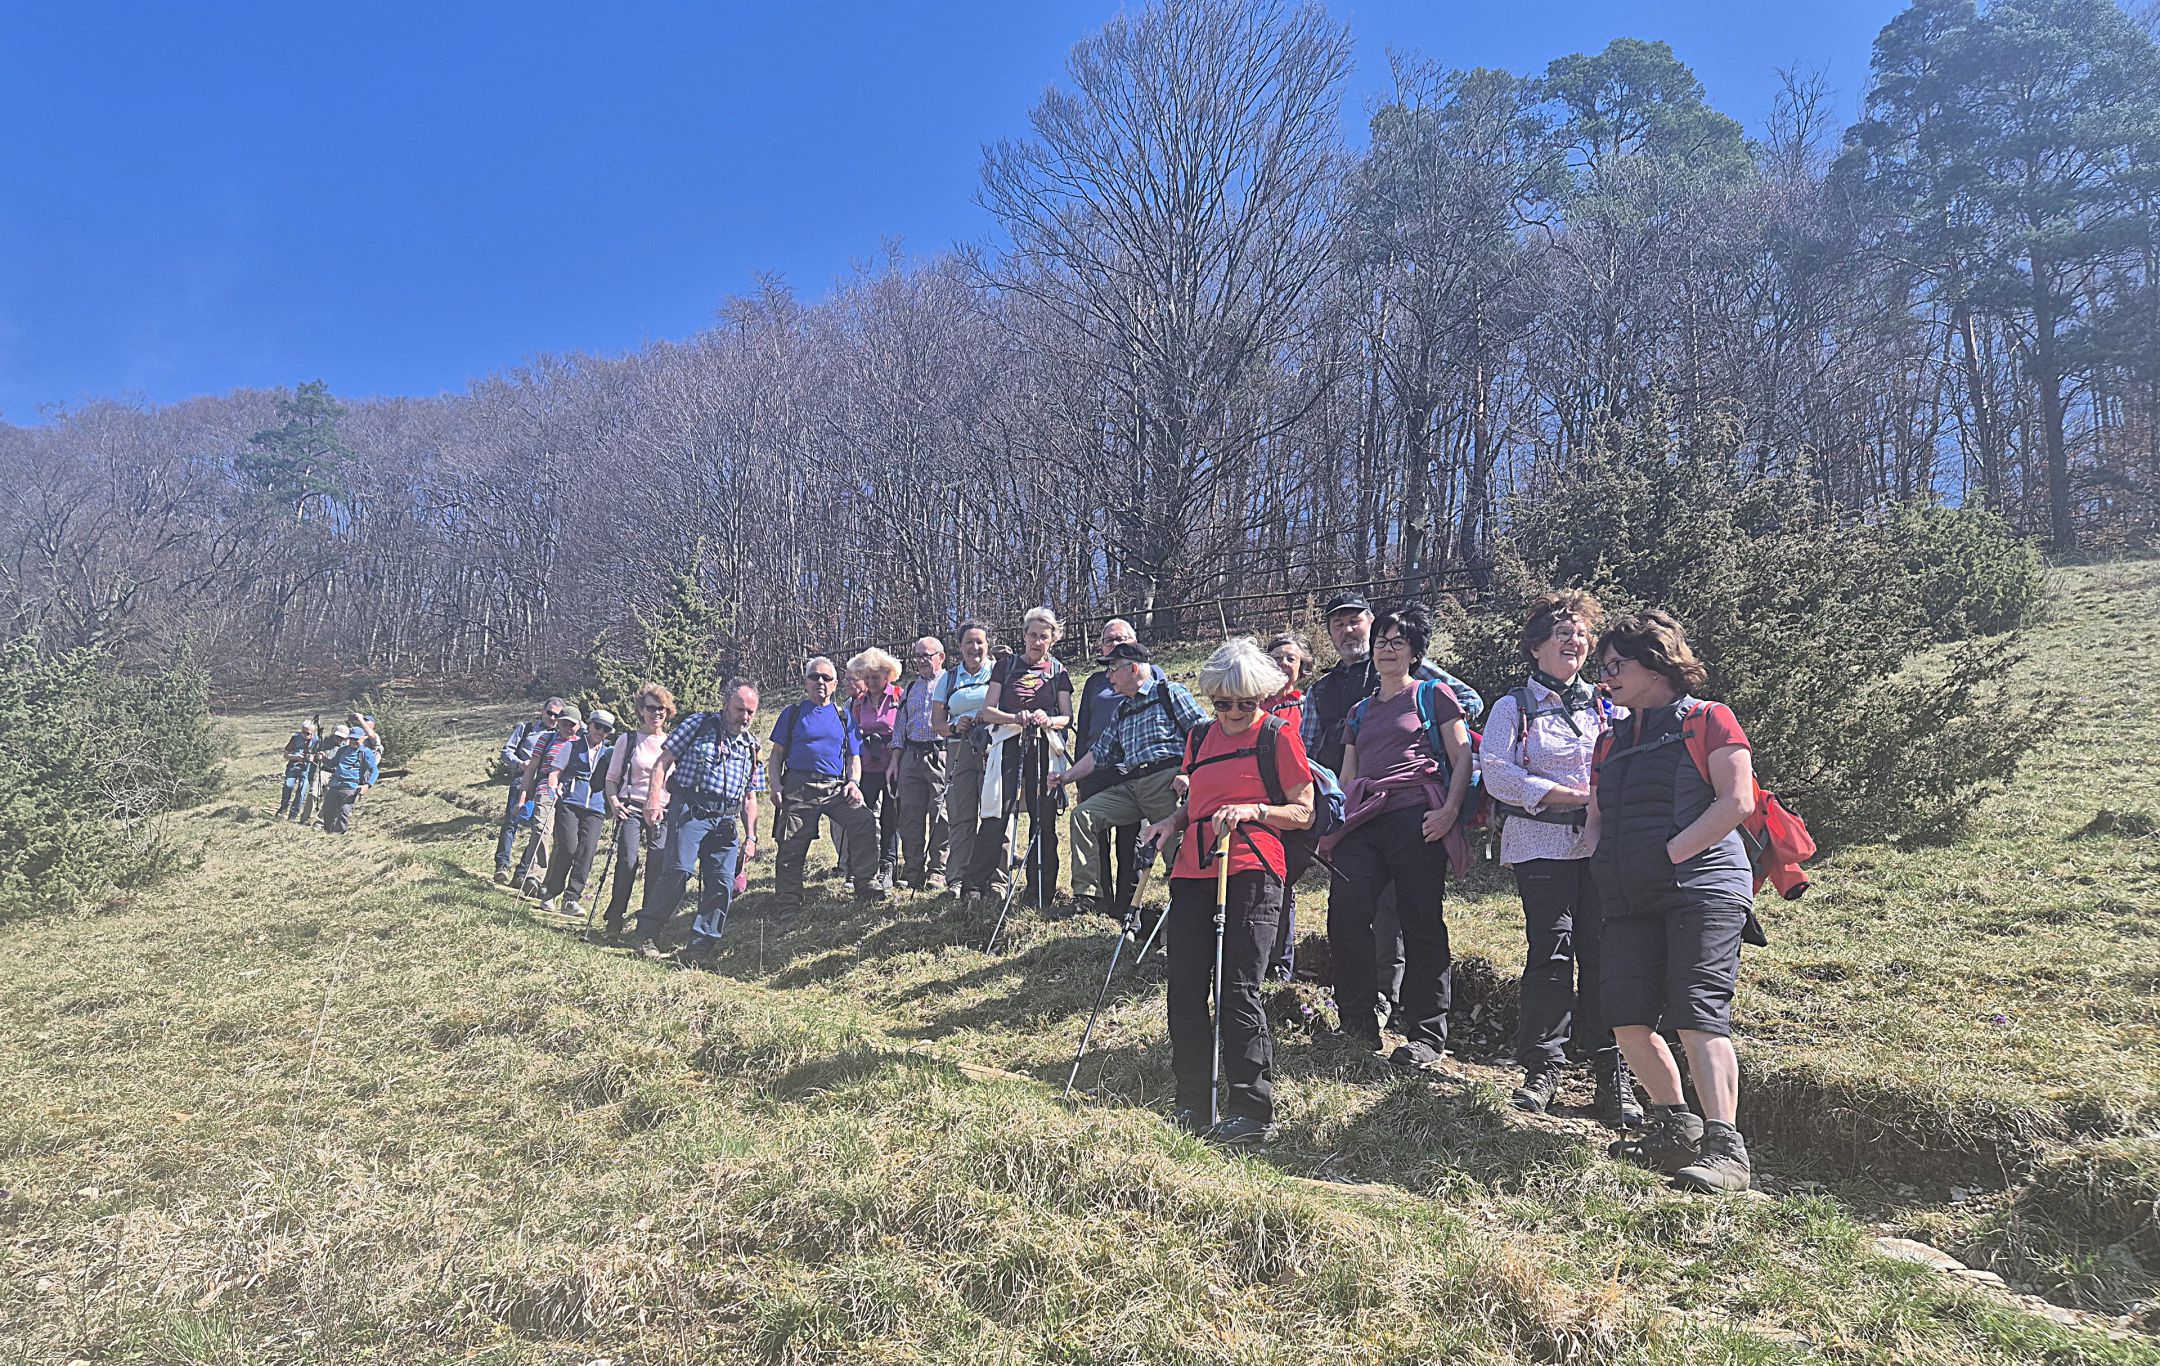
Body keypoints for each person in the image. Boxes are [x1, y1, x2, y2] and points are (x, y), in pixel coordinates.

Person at [1587, 611, 1758, 1194]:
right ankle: (1674, 1125)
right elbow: (1597, 817)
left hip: (1704, 888)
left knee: (1696, 1014)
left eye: (1616, 665)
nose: (1605, 676)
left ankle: (1725, 1148)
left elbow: (1736, 801)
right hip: (1627, 895)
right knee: (1626, 1017)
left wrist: (1669, 855)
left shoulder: (1710, 718)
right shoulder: (1611, 739)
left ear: (1656, 664)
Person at [1138, 639, 1314, 1144]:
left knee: (1238, 986)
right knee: (1185, 987)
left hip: (1254, 869)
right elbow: (1197, 804)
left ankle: (1252, 1109)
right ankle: (1191, 1101)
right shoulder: (1198, 738)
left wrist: (1254, 810)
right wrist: (1169, 822)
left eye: (1245, 702)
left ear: (1262, 696)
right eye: (1223, 702)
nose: (1235, 712)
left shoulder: (1277, 735)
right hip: (1194, 869)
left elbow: (1302, 811)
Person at [1479, 592, 1641, 1129]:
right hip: (1539, 845)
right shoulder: (1512, 708)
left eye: (1579, 635)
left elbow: (1632, 759)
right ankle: (1542, 1066)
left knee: (1604, 955)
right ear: (1535, 648)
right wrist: (1573, 797)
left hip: (1600, 849)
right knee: (1551, 950)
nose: (1573, 643)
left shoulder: (1607, 704)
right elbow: (1498, 774)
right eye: (1561, 635)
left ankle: (1610, 1071)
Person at [1303, 592, 1483, 1031]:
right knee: (1346, 914)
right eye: (1382, 640)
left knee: (1419, 918)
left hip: (1417, 816)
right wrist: (1331, 835)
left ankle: (1426, 1029)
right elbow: (1346, 780)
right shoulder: (1358, 712)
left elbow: (1462, 759)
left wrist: (1449, 813)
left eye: (1398, 642)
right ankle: (1357, 1021)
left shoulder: (1433, 694)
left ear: (1415, 652)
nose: (1386, 648)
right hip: (1365, 820)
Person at [1053, 640, 1206, 920]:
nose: (1108, 676)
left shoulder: (1169, 693)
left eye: (1112, 669)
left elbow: (1202, 733)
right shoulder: (1122, 709)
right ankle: (1089, 898)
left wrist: (1188, 772)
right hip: (1131, 785)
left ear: (1133, 668)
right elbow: (1099, 753)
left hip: (1166, 783)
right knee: (1084, 815)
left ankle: (1179, 933)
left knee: (1179, 859)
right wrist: (1066, 777)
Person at [640, 680, 765, 965]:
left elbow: (750, 797)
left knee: (722, 883)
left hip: (725, 821)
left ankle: (699, 948)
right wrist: (653, 799)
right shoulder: (699, 725)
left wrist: (751, 837)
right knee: (679, 871)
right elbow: (663, 762)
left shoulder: (751, 746)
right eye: (739, 709)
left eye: (750, 712)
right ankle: (647, 933)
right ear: (726, 705)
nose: (744, 717)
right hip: (690, 810)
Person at [970, 607, 1075, 909]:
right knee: (996, 812)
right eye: (1032, 635)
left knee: (1043, 816)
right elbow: (988, 711)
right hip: (1009, 742)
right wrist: (1015, 716)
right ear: (1024, 635)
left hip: (1043, 745)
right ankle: (977, 886)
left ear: (1053, 639)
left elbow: (1066, 717)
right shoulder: (1006, 666)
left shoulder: (1058, 672)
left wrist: (1047, 718)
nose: (1037, 641)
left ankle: (1040, 891)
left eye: (1044, 636)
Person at [769, 657, 885, 907]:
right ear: (805, 683)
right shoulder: (793, 714)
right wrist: (775, 785)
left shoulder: (844, 717)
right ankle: (788, 900)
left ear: (835, 684)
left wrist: (853, 782)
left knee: (864, 820)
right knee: (791, 842)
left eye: (826, 678)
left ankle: (866, 883)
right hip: (799, 787)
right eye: (814, 677)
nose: (820, 682)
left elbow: (854, 756)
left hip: (836, 788)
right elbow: (777, 754)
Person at [1073, 619, 1158, 921]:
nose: (1113, 645)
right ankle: (1098, 902)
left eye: (1120, 640)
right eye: (1108, 641)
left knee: (1130, 838)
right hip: (1096, 767)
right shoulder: (1095, 682)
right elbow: (1084, 730)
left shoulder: (1153, 676)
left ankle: (1127, 905)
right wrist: (1077, 773)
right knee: (1095, 833)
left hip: (1133, 767)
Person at [598, 683, 674, 944]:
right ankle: (615, 919)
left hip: (661, 811)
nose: (657, 714)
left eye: (662, 709)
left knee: (657, 865)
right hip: (630, 808)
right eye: (652, 709)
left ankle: (645, 928)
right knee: (628, 861)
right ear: (641, 710)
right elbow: (612, 778)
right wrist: (614, 802)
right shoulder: (628, 740)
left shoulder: (672, 744)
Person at [934, 622, 999, 908]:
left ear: (988, 645)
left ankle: (996, 879)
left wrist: (986, 718)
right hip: (958, 748)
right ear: (959, 647)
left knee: (995, 814)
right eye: (968, 643)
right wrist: (953, 726)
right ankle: (957, 879)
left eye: (980, 642)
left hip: (993, 746)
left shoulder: (999, 672)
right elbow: (937, 723)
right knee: (961, 815)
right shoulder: (947, 679)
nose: (975, 648)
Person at [537, 709, 617, 920]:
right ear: (588, 725)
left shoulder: (610, 753)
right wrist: (554, 789)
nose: (601, 732)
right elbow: (555, 773)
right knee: (568, 847)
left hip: (596, 807)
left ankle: (571, 898)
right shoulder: (571, 746)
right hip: (570, 803)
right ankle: (551, 892)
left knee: (587, 851)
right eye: (597, 726)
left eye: (606, 729)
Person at [891, 636, 951, 891]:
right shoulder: (911, 687)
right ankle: (912, 868)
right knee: (910, 815)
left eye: (927, 655)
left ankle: (937, 870)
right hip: (911, 757)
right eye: (918, 656)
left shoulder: (951, 683)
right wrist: (895, 759)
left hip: (941, 754)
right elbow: (900, 725)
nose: (922, 661)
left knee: (940, 813)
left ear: (941, 656)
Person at [845, 648, 906, 892]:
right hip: (866, 766)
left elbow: (903, 728)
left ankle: (888, 867)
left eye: (877, 677)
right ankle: (856, 869)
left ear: (888, 676)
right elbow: (850, 735)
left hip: (893, 766)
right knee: (862, 818)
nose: (872, 682)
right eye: (868, 677)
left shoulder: (899, 698)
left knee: (891, 818)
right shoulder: (857, 704)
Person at [513, 707, 583, 895]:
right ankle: (534, 875)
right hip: (545, 788)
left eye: (572, 724)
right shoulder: (547, 739)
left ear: (579, 725)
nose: (567, 728)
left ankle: (548, 883)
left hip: (571, 794)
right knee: (542, 828)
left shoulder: (582, 744)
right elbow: (532, 768)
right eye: (563, 723)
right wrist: (523, 797)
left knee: (563, 840)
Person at [495, 698, 566, 884]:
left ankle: (522, 871)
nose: (552, 718)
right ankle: (502, 865)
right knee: (511, 822)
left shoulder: (560, 737)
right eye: (549, 713)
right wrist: (520, 763)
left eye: (557, 715)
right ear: (542, 711)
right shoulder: (526, 729)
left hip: (544, 784)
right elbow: (506, 751)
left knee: (539, 828)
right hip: (521, 779)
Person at [318, 724, 378, 834]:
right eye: (351, 739)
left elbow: (374, 770)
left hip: (351, 786)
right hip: (336, 784)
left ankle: (339, 835)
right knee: (328, 810)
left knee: (343, 812)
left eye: (356, 739)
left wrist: (368, 785)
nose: (353, 741)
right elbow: (332, 764)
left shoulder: (365, 752)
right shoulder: (342, 750)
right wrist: (323, 759)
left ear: (362, 738)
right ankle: (327, 833)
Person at [277, 719, 318, 820]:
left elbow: (319, 756)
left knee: (301, 792)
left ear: (312, 732)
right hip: (293, 766)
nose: (305, 735)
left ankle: (293, 815)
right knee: (288, 786)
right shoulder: (295, 738)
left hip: (307, 769)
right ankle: (283, 807)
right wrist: (296, 757)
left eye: (308, 733)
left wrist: (314, 757)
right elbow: (285, 755)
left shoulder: (317, 740)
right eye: (303, 732)